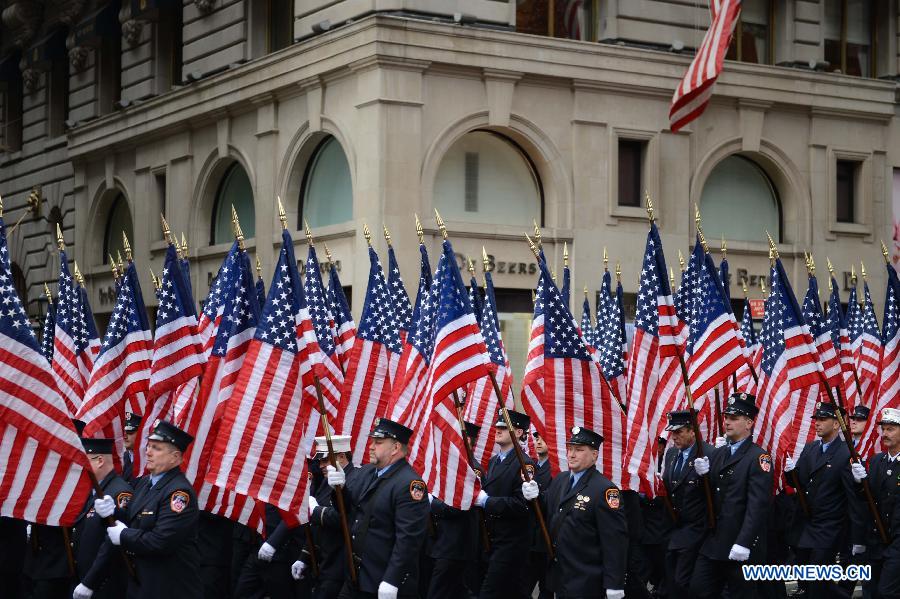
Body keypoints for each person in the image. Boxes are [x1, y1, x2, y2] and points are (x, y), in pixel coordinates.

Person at [326, 418, 429, 599]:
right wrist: (340, 490)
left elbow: (408, 539)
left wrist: (392, 579)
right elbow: (349, 512)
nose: (371, 446)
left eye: (378, 442)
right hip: (356, 575)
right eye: (372, 441)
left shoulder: (410, 484)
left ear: (396, 448)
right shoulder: (367, 472)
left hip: (382, 581)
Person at [98, 419, 200, 597]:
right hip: (142, 582)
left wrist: (124, 535)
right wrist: (112, 511)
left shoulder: (179, 493)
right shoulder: (145, 482)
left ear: (175, 457)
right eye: (149, 446)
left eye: (157, 448)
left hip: (167, 587)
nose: (148, 452)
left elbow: (161, 541)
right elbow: (133, 516)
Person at [689, 393, 773, 599]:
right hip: (714, 541)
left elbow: (758, 506)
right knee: (698, 590)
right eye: (727, 417)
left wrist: (744, 542)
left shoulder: (759, 457)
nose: (727, 422)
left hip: (740, 544)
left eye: (734, 418)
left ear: (749, 423)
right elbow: (706, 496)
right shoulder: (718, 454)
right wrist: (702, 477)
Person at [530, 425, 627, 599]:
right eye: (570, 449)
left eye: (579, 450)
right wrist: (534, 496)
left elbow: (614, 541)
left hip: (586, 578)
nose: (572, 455)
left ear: (594, 455)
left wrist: (614, 583)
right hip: (561, 574)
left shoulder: (604, 490)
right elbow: (548, 507)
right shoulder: (561, 479)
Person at [783, 401, 863, 598]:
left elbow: (853, 498)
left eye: (823, 419)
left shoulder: (846, 453)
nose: (817, 423)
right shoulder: (810, 448)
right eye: (816, 419)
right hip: (804, 525)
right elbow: (800, 483)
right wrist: (790, 473)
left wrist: (857, 536)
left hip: (828, 528)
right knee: (806, 582)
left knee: (818, 582)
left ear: (836, 424)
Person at [292, 434, 366, 599]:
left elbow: (343, 518)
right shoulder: (327, 481)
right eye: (320, 461)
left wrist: (315, 511)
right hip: (324, 561)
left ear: (341, 456)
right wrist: (305, 556)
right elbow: (318, 527)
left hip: (340, 564)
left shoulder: (354, 480)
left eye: (325, 460)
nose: (321, 465)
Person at [476, 409, 536, 599]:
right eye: (497, 426)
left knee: (489, 592)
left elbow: (521, 505)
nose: (498, 429)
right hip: (493, 537)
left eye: (504, 427)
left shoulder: (524, 464)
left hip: (511, 541)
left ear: (518, 433)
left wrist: (487, 502)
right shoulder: (494, 461)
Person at [71, 438, 133, 599]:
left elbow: (113, 544)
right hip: (85, 576)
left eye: (84, 460)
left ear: (99, 461)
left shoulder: (119, 492)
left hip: (105, 583)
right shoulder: (93, 489)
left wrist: (91, 582)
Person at [426, 421, 481, 599]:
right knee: (457, 591)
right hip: (441, 542)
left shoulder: (471, 470)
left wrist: (431, 503)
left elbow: (459, 506)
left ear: (468, 441)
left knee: (438, 592)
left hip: (456, 544)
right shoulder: (449, 465)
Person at [662, 410, 714, 596]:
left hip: (698, 531)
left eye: (679, 432)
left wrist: (707, 476)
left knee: (684, 583)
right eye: (672, 432)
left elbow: (717, 493)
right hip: (674, 529)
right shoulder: (671, 454)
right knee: (671, 582)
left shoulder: (708, 453)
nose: (674, 437)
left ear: (693, 431)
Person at [851, 407, 900, 597]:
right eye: (884, 429)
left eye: (891, 429)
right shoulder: (878, 460)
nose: (885, 434)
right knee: (870, 591)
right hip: (875, 540)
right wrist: (859, 484)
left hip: (897, 541)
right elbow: (868, 498)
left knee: (886, 592)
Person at [525, 430, 553, 599]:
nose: (539, 442)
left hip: (545, 534)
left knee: (546, 587)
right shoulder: (531, 466)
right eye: (536, 438)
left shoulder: (555, 468)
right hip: (529, 535)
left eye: (544, 438)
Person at [122, 412, 141, 483]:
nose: (125, 436)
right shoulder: (123, 457)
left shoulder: (147, 459)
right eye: (124, 432)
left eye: (130, 432)